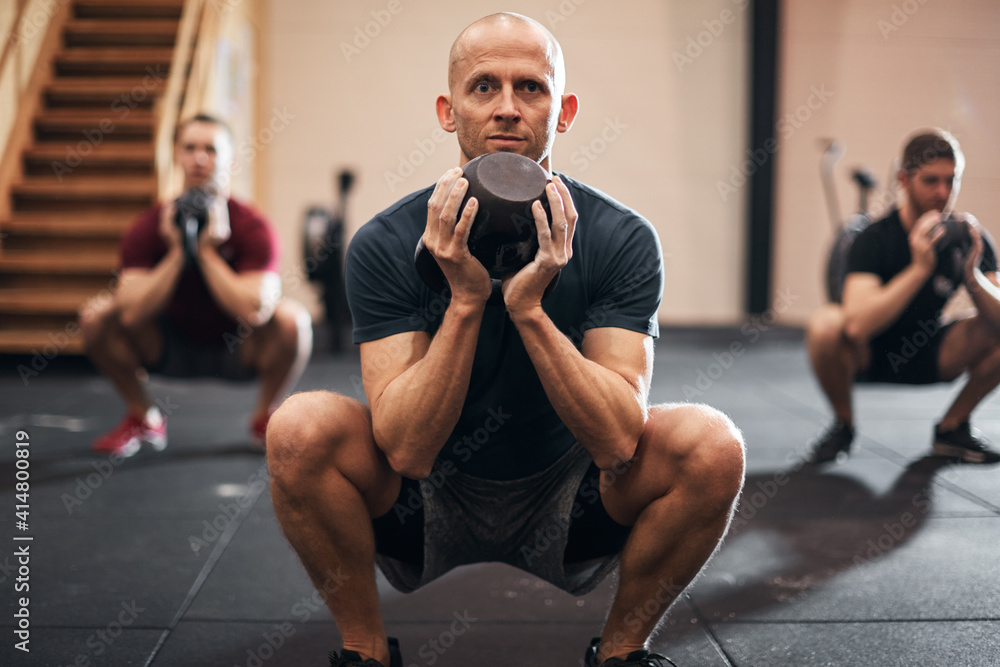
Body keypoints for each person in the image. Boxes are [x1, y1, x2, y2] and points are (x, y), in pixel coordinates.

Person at [266, 13, 745, 667]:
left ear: (566, 110)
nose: (508, 109)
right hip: (425, 497)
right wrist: (466, 300)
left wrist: (529, 310)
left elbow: (617, 440)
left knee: (713, 446)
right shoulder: (384, 242)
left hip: (573, 494)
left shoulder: (621, 237)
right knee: (298, 428)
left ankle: (624, 651)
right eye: (484, 87)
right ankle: (366, 651)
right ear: (447, 109)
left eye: (532, 88)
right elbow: (405, 449)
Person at [80, 113, 312, 457]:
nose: (199, 157)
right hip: (167, 346)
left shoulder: (252, 226)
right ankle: (144, 417)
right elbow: (129, 314)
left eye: (211, 149)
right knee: (95, 317)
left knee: (295, 321)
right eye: (189, 148)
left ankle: (263, 417)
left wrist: (205, 252)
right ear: (176, 155)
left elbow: (254, 310)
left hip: (238, 349)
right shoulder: (148, 226)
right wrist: (177, 251)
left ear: (229, 160)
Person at [806, 128, 1000, 465]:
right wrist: (919, 270)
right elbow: (856, 327)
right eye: (931, 181)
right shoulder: (874, 238)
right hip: (868, 358)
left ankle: (952, 429)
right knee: (826, 324)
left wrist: (972, 276)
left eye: (951, 181)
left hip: (932, 354)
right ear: (903, 179)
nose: (942, 192)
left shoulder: (967, 238)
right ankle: (844, 425)